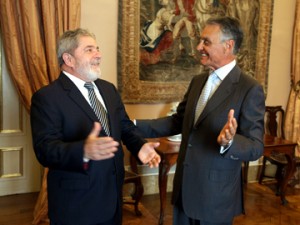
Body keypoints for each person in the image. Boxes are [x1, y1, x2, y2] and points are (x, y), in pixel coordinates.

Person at [136, 16, 265, 225]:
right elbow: (177, 122)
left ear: (228, 45)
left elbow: (255, 147)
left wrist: (230, 142)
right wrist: (131, 125)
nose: (198, 47)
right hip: (184, 191)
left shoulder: (249, 89)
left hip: (215, 199)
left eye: (206, 42)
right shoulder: (198, 81)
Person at [30, 28, 161, 225]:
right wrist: (83, 150)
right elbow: (45, 150)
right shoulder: (47, 97)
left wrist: (140, 145)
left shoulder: (108, 89)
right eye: (89, 50)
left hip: (113, 196)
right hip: (77, 204)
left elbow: (124, 126)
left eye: (97, 49)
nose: (98, 54)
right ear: (69, 59)